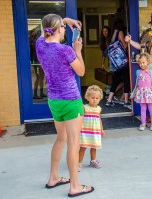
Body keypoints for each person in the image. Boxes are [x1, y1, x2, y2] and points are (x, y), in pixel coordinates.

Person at [35, 14, 94, 197]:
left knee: (61, 138)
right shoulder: (66, 50)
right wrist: (78, 51)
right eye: (62, 26)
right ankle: (75, 186)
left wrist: (65, 21)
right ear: (59, 29)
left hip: (54, 101)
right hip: (70, 101)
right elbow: (82, 72)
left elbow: (46, 31)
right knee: (73, 143)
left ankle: (53, 178)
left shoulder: (40, 45)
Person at [78, 85, 105, 171]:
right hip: (85, 131)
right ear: (87, 97)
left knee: (94, 147)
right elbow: (80, 118)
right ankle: (79, 162)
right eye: (92, 97)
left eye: (97, 98)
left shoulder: (99, 109)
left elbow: (99, 119)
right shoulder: (85, 107)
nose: (94, 100)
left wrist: (102, 129)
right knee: (83, 147)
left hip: (95, 132)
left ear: (100, 99)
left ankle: (93, 161)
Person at [105, 18, 131, 108]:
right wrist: (128, 41)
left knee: (116, 80)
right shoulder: (120, 32)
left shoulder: (112, 34)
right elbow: (124, 46)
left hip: (115, 62)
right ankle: (126, 100)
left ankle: (109, 100)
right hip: (122, 61)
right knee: (126, 79)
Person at [130, 52, 152, 131]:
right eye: (140, 63)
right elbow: (137, 84)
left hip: (150, 93)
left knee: (151, 109)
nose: (142, 64)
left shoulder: (151, 72)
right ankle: (143, 123)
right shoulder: (138, 72)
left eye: (143, 62)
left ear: (148, 61)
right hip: (141, 93)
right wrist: (133, 93)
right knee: (143, 109)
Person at [29, 28, 46, 99]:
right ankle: (35, 94)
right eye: (36, 32)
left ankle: (41, 92)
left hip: (40, 61)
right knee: (38, 77)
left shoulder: (36, 40)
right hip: (36, 61)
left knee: (42, 77)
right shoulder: (32, 41)